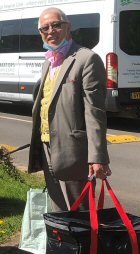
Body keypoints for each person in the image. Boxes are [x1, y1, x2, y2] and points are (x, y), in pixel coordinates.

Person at [28, 7, 111, 212]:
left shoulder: (86, 59)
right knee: (58, 209)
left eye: (56, 25)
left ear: (68, 27)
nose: (50, 31)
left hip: (75, 153)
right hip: (47, 147)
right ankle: (63, 244)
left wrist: (97, 157)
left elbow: (95, 112)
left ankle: (88, 244)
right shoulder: (48, 62)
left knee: (81, 212)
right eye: (44, 28)